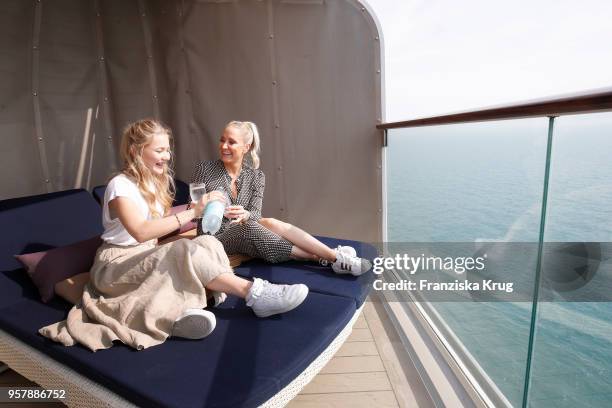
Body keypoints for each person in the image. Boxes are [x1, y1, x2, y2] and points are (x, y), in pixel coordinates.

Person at [39, 119, 308, 352]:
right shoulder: (119, 186)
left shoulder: (155, 183)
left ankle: (177, 317)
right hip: (115, 266)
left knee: (207, 241)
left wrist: (201, 209)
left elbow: (163, 226)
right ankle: (255, 294)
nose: (167, 156)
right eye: (159, 150)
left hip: (144, 256)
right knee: (183, 249)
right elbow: (141, 231)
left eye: (168, 150)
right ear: (136, 151)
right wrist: (193, 213)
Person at [191, 120, 372, 275]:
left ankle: (329, 256)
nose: (224, 146)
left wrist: (245, 214)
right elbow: (193, 211)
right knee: (249, 229)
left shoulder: (256, 176)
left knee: (270, 222)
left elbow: (255, 214)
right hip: (213, 236)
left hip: (243, 229)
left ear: (246, 147)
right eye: (222, 140)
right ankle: (332, 257)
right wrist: (205, 205)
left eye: (231, 142)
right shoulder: (205, 169)